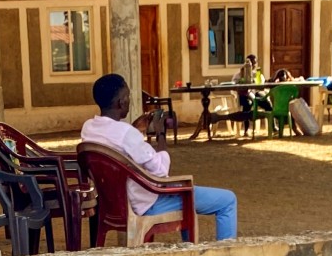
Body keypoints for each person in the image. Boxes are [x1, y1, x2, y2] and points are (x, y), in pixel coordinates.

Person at [80, 74, 238, 241]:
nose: (129, 100)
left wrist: (134, 129)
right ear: (121, 102)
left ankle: (189, 250)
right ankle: (225, 255)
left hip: (114, 205)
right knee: (227, 200)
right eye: (128, 96)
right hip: (147, 204)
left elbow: (117, 143)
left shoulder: (89, 128)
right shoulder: (126, 133)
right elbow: (161, 172)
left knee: (188, 197)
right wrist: (161, 134)